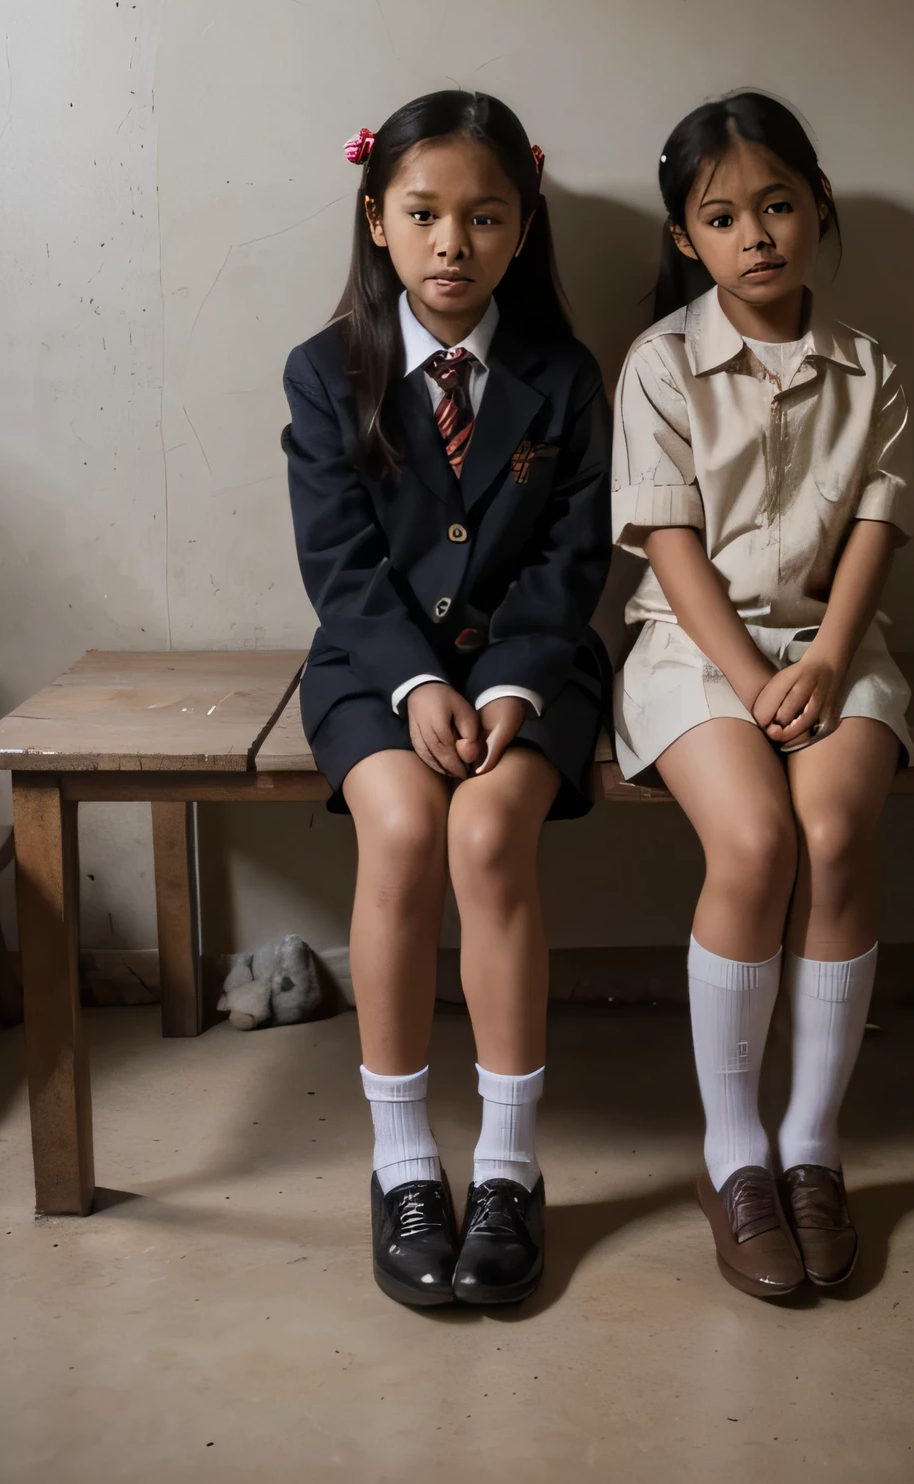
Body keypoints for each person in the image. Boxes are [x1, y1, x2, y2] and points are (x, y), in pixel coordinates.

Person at [282, 90, 611, 1308]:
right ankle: (405, 1164)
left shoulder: (565, 377)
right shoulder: (327, 375)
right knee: (409, 826)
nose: (451, 244)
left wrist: (512, 686)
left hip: (533, 666)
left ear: (521, 229)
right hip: (373, 666)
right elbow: (338, 563)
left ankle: (512, 1171)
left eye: (482, 217)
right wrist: (417, 681)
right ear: (377, 219)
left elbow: (572, 560)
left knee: (486, 832)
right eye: (422, 214)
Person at [611, 91, 914, 1300]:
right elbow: (670, 549)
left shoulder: (872, 370)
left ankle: (810, 1149)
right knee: (752, 838)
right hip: (694, 653)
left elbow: (876, 535)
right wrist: (751, 678)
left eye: (777, 204)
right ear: (686, 239)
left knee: (833, 831)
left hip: (836, 643)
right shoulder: (660, 364)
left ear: (817, 204)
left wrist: (829, 662)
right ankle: (730, 1152)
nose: (756, 234)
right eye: (722, 215)